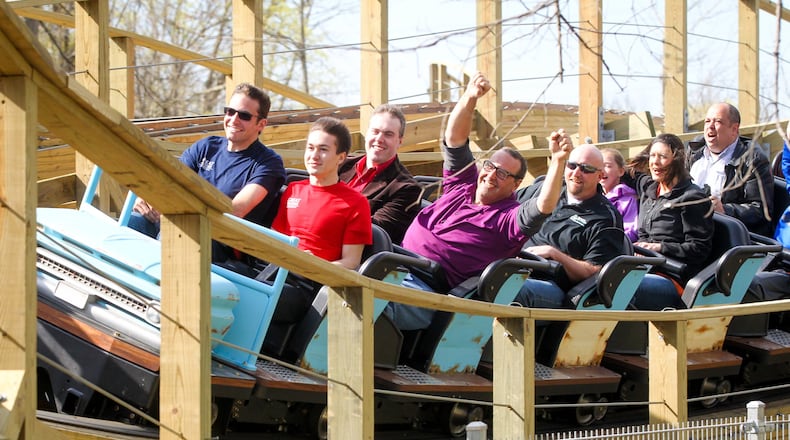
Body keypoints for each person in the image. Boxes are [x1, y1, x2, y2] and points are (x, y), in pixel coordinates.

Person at [385, 71, 571, 330]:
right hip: (394, 266)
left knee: (363, 305)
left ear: (516, 184)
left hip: (427, 292)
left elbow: (543, 206)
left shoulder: (507, 218)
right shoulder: (461, 183)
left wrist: (559, 160)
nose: (492, 175)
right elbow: (454, 139)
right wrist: (470, 97)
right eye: (491, 166)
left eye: (503, 173)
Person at [128, 82, 286, 262]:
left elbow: (234, 211)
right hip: (179, 222)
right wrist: (149, 197)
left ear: (261, 124)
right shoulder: (206, 146)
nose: (234, 119)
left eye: (244, 115)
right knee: (133, 221)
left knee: (176, 236)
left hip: (221, 243)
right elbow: (171, 182)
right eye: (230, 111)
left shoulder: (268, 163)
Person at [513, 144, 627, 309]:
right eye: (571, 165)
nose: (576, 173)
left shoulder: (606, 218)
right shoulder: (547, 190)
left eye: (586, 169)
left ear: (600, 175)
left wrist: (554, 254)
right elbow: (506, 206)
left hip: (554, 286)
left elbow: (595, 271)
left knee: (510, 291)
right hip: (512, 265)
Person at [272, 116, 373, 271]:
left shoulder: (356, 203)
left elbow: (351, 262)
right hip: (276, 270)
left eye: (323, 149)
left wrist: (314, 267)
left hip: (311, 283)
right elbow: (275, 239)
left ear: (341, 157)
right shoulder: (293, 189)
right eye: (310, 148)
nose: (314, 156)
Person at [627, 133, 713, 310]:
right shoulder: (650, 192)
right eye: (652, 156)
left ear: (677, 160)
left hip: (674, 277)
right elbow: (644, 236)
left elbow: (699, 249)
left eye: (663, 157)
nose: (655, 162)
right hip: (645, 267)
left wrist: (660, 247)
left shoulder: (692, 198)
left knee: (623, 288)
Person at [339, 104, 422, 245]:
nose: (379, 139)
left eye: (388, 134)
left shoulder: (407, 189)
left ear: (399, 141)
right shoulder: (341, 164)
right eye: (375, 131)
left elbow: (376, 231)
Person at [687, 102, 774, 236]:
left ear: (734, 129)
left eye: (718, 122)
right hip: (689, 228)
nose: (710, 126)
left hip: (728, 235)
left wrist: (724, 210)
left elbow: (760, 211)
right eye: (707, 121)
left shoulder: (753, 160)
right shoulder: (693, 152)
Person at [601, 148, 638, 242]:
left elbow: (631, 231)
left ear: (621, 171)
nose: (602, 171)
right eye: (599, 166)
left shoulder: (628, 199)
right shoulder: (591, 196)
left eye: (607, 166)